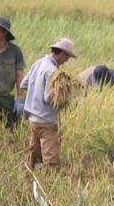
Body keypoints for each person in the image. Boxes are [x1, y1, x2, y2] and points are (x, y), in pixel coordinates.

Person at [20, 38, 77, 168]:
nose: (67, 60)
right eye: (67, 57)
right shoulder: (53, 71)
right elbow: (48, 97)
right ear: (62, 54)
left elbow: (24, 84)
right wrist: (63, 96)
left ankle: (30, 173)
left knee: (34, 152)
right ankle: (51, 180)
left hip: (33, 118)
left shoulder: (38, 63)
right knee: (51, 156)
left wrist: (35, 92)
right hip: (46, 120)